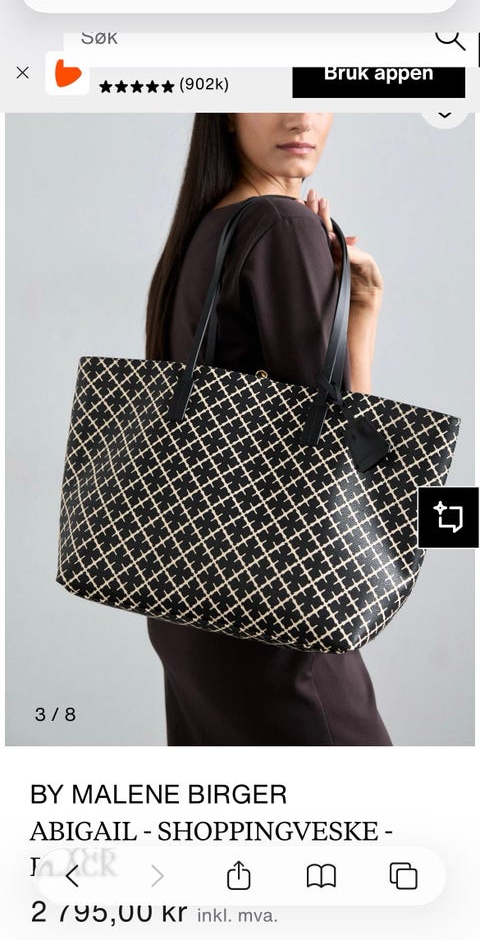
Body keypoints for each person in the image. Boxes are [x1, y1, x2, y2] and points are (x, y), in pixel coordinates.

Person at [145, 112, 391, 746]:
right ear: (225, 113)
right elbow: (345, 450)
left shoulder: (207, 228)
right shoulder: (281, 224)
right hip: (276, 611)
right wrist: (363, 311)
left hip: (189, 603)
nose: (300, 116)